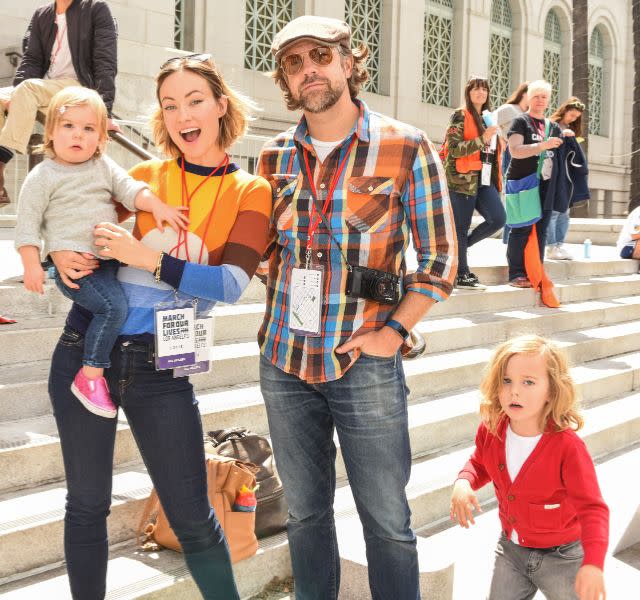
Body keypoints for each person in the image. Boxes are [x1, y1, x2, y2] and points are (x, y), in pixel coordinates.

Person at [47, 55, 271, 599]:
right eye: (170, 105)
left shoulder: (250, 190)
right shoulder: (137, 179)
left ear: (222, 106)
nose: (182, 115)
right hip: (85, 351)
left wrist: (147, 259)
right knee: (86, 506)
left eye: (195, 100)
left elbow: (229, 284)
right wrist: (61, 262)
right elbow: (76, 250)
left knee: (193, 516)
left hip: (160, 368)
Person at [258, 15, 457, 600]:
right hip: (285, 358)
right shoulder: (272, 158)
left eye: (319, 55)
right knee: (304, 516)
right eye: (293, 63)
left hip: (365, 360)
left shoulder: (404, 145)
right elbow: (256, 250)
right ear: (286, 82)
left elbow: (441, 257)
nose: (307, 70)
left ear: (349, 62)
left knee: (388, 523)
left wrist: (394, 332)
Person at [15, 86, 187, 418]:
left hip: (109, 262)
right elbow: (27, 223)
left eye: (89, 128)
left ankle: (110, 369)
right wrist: (32, 263)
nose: (78, 134)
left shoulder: (103, 166)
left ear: (101, 138)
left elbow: (130, 189)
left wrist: (157, 205)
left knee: (126, 301)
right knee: (113, 307)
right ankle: (90, 375)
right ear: (50, 131)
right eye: (68, 126)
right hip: (77, 270)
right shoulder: (43, 176)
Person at [450, 335, 609, 600]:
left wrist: (593, 564)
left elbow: (593, 509)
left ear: (552, 391)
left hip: (563, 557)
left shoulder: (568, 448)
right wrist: (464, 481)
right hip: (511, 551)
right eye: (506, 380)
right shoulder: (491, 429)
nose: (514, 391)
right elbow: (479, 462)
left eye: (528, 382)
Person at [0, 0, 118, 203]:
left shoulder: (95, 9)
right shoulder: (42, 14)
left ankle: (0, 164)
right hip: (49, 86)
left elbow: (105, 61)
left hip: (79, 86)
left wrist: (104, 111)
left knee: (28, 89)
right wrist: (15, 93)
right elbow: (32, 60)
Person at [443, 76, 505, 289]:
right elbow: (454, 148)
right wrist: (483, 138)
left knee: (498, 219)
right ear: (468, 92)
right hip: (461, 179)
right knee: (461, 226)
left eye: (484, 89)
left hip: (485, 179)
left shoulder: (488, 118)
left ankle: (460, 248)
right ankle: (461, 273)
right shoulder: (460, 115)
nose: (480, 92)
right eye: (476, 89)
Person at [505, 80, 563, 299]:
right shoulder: (520, 122)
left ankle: (535, 272)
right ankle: (516, 273)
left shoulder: (553, 126)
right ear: (529, 98)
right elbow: (516, 151)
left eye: (544, 97)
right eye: (536, 96)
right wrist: (542, 146)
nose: (540, 100)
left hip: (546, 185)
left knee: (541, 230)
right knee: (520, 228)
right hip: (522, 181)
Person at [546, 97, 587, 260]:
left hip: (567, 177)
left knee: (564, 212)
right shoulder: (551, 125)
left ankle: (559, 245)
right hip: (553, 175)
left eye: (576, 117)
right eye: (571, 115)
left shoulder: (571, 130)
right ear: (564, 110)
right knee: (555, 211)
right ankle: (551, 247)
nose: (572, 119)